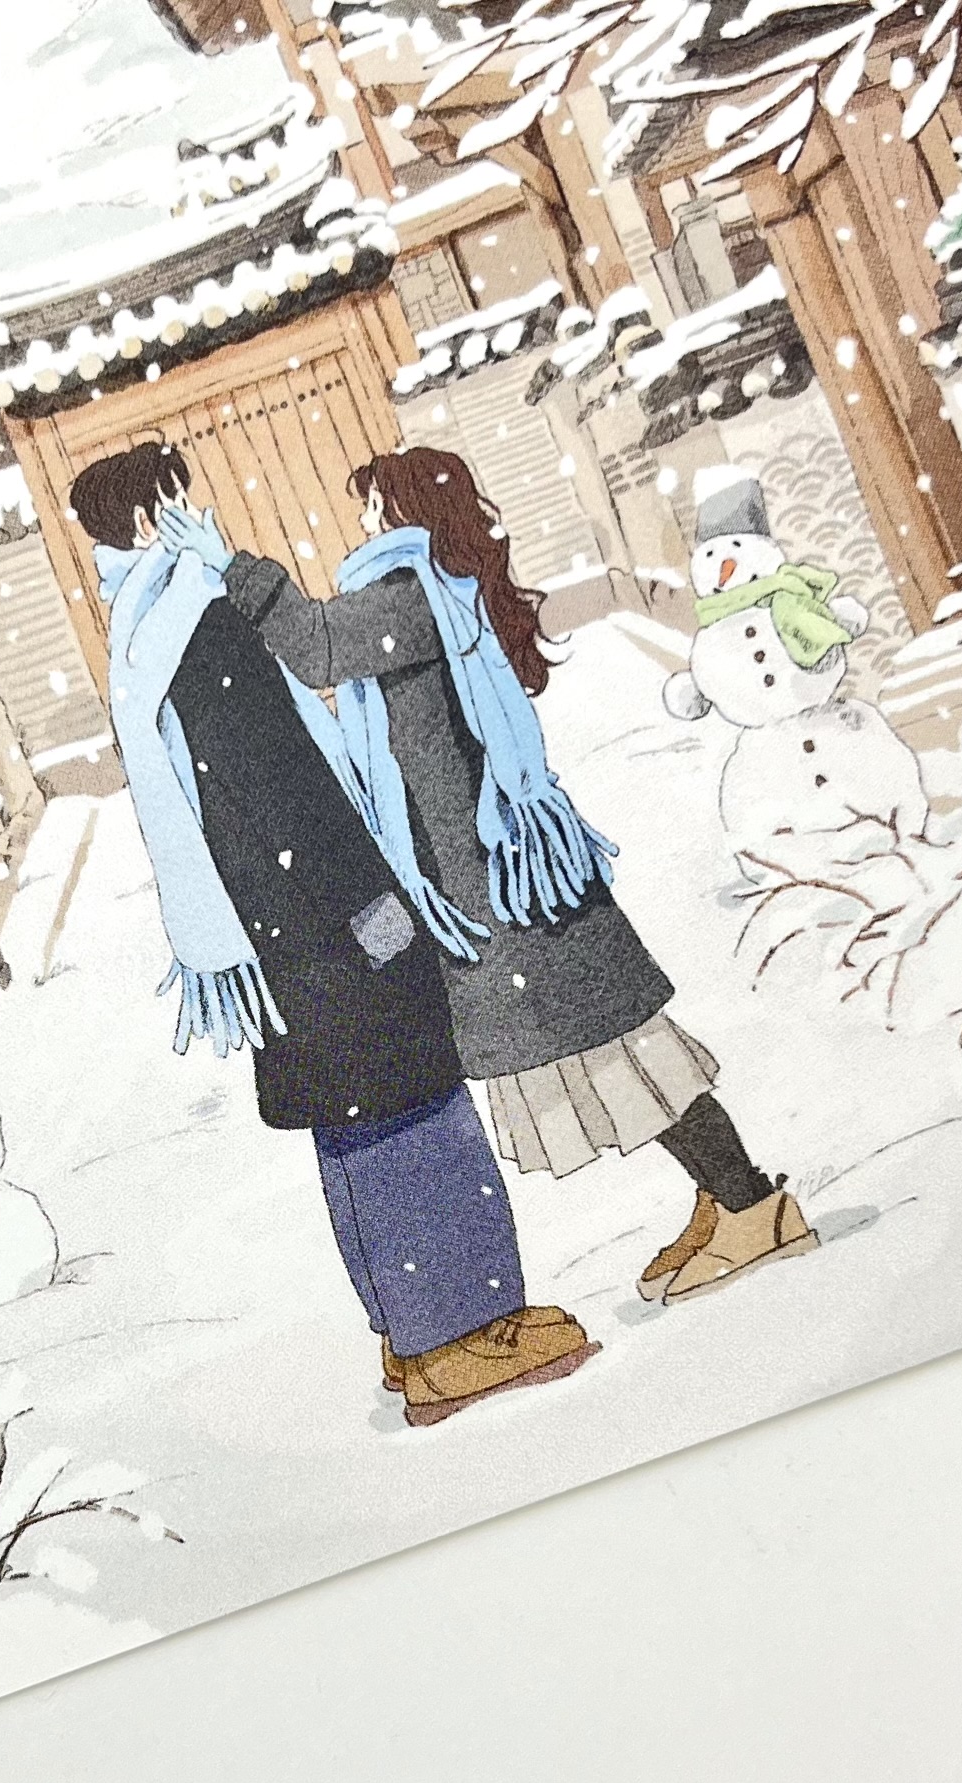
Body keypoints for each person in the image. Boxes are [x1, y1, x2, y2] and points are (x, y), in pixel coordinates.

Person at [175, 446, 818, 1301]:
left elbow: (320, 649)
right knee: (612, 1045)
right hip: (498, 878)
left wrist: (234, 568)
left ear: (404, 512)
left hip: (506, 884)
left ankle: (752, 1205)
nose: (362, 523)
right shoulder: (432, 589)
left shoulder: (410, 595)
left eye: (372, 506)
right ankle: (724, 1194)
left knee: (621, 1048)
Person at [70, 443, 593, 1424]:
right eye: (180, 499)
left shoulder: (142, 629)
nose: (200, 514)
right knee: (409, 1103)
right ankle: (463, 1333)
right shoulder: (194, 621)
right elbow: (283, 789)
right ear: (149, 520)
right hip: (326, 918)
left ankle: (411, 1331)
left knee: (354, 1122)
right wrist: (376, 911)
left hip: (276, 932)